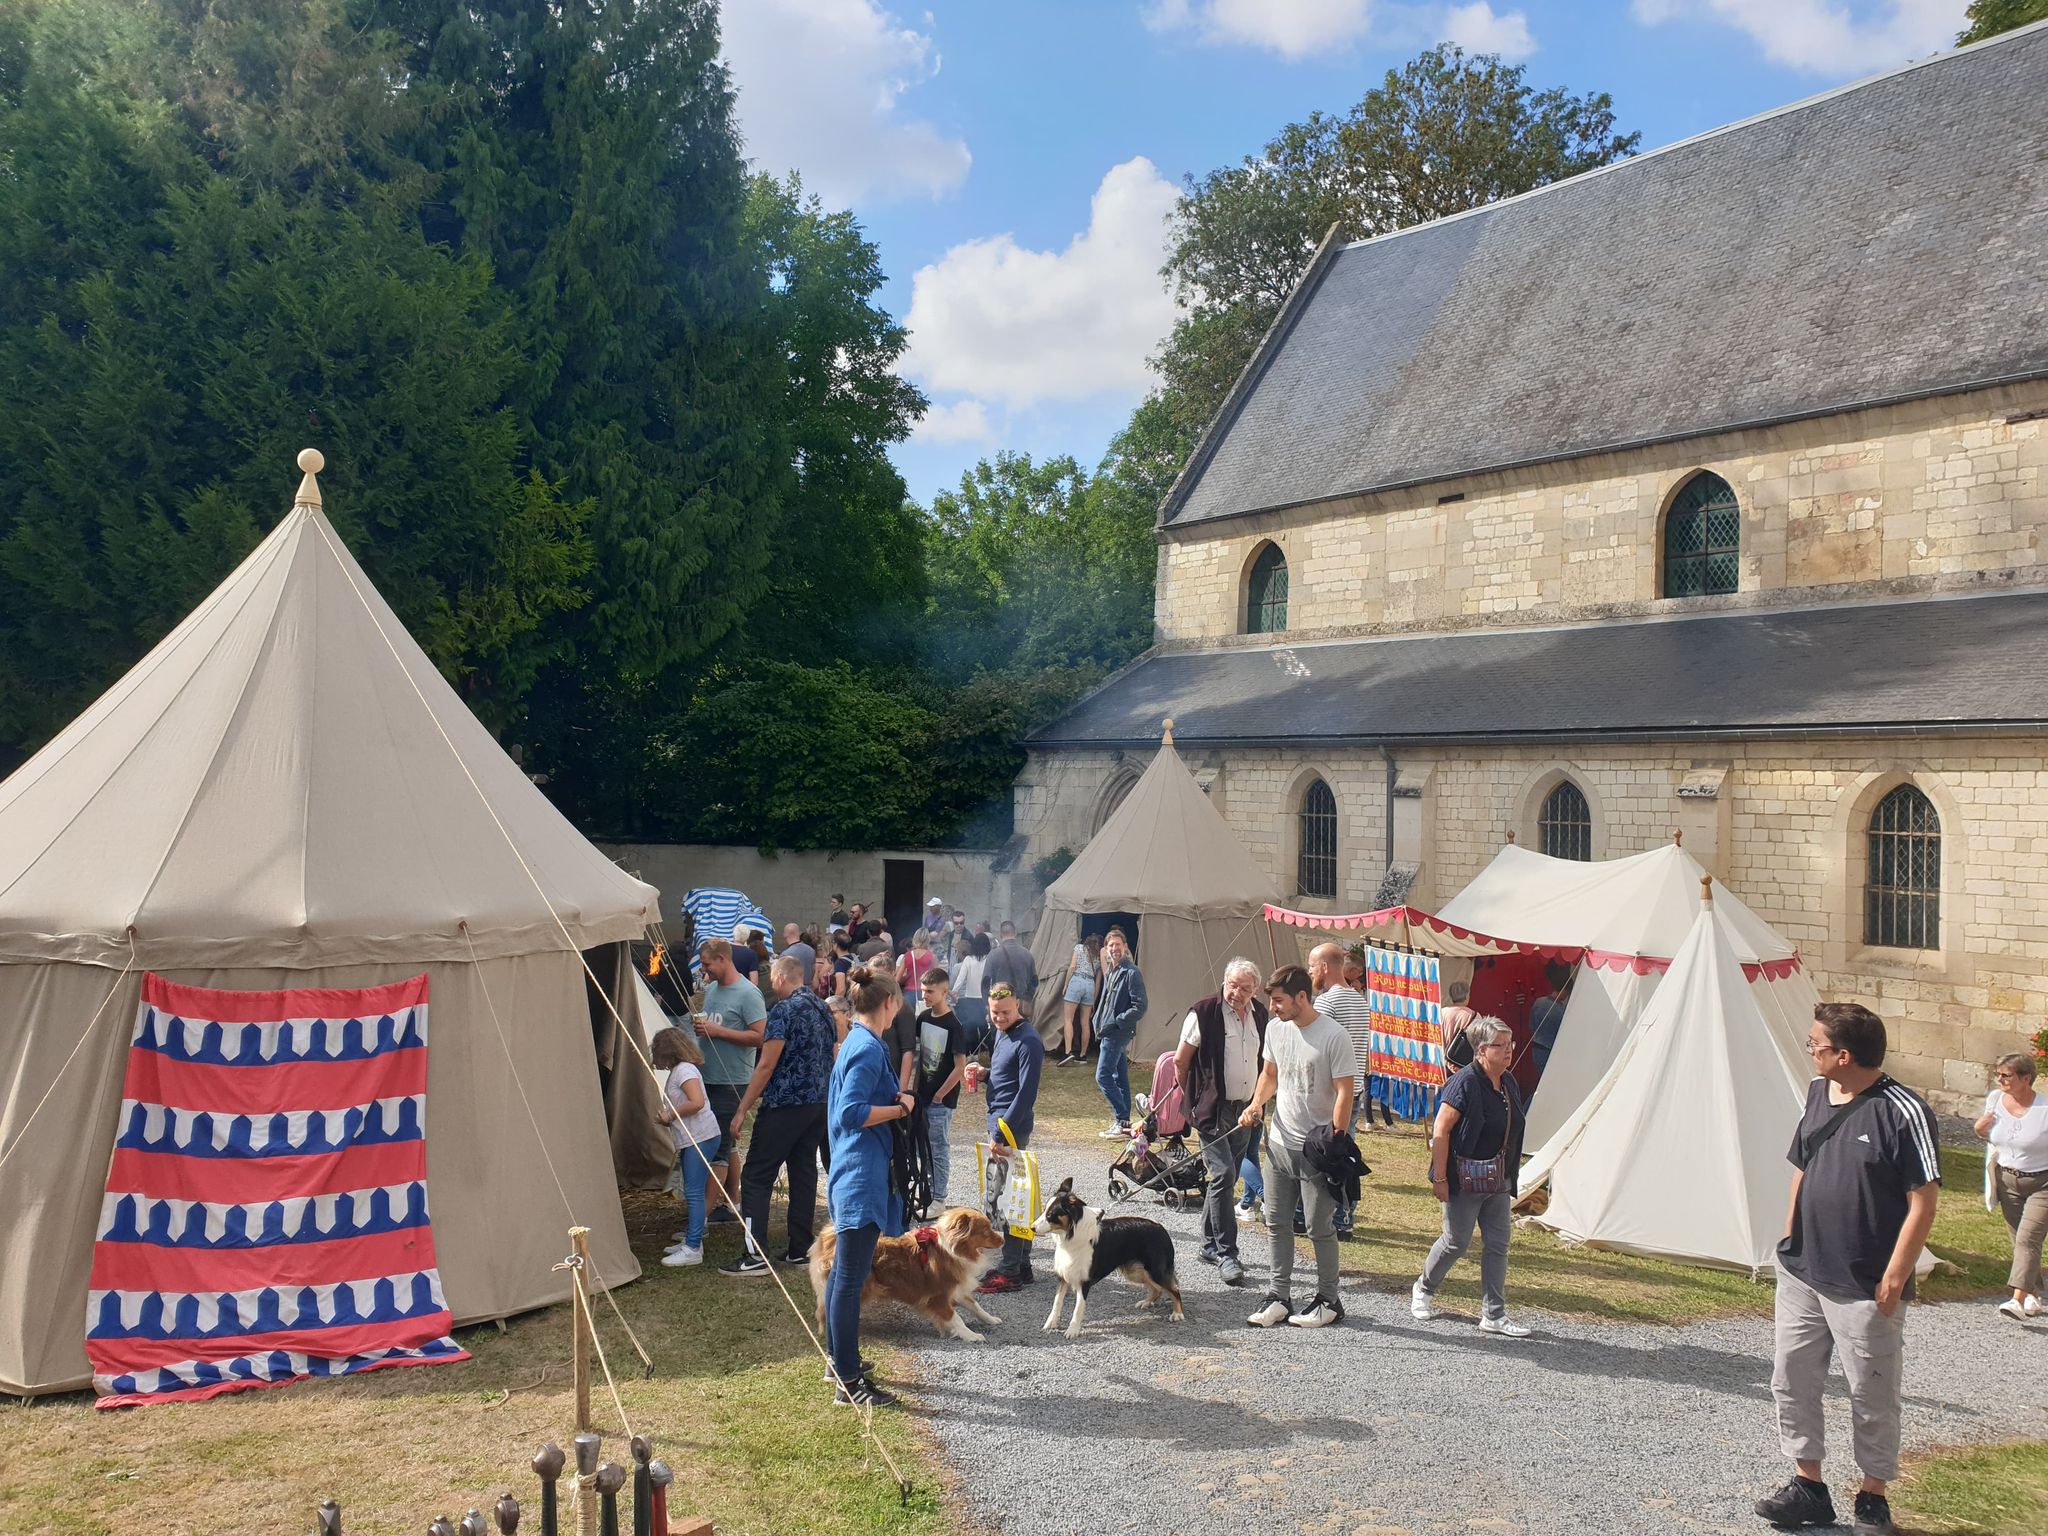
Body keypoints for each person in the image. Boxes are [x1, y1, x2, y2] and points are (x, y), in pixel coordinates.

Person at [1755, 1002, 1941, 1536]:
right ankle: (1807, 1486)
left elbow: (1923, 1199)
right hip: (1803, 1270)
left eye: (1817, 1043)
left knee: (1872, 1392)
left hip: (1864, 1282)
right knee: (1791, 1378)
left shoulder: (1903, 1110)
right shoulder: (1817, 1092)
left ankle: (1872, 1496)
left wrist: (1896, 1275)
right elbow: (1802, 1166)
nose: (1809, 1049)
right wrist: (1790, 1238)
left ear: (1845, 1055)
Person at [824, 964, 919, 1408]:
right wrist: (900, 1109)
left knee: (847, 1271)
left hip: (856, 1168)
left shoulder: (860, 1041)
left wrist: (894, 1100)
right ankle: (847, 1381)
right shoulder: (865, 1047)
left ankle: (837, 1360)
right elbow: (851, 1112)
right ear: (889, 1004)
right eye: (899, 1004)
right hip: (860, 1174)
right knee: (850, 1276)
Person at [1239, 964, 1353, 1330]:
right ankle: (1279, 1296)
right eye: (1272, 1001)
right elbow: (1270, 1075)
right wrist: (1256, 1104)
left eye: (1279, 1001)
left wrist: (1334, 1138)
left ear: (1302, 997)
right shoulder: (1275, 1029)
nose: (1273, 1008)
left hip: (1316, 1148)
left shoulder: (1334, 1036)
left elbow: (1345, 1091)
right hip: (1279, 1142)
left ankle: (1329, 1299)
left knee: (1319, 1226)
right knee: (1276, 1221)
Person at [1412, 1016, 1531, 1338]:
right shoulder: (1464, 1082)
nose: (1508, 1051)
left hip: (1497, 1177)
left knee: (1498, 1245)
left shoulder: (1508, 1081)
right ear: (1481, 1050)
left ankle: (1494, 1314)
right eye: (1501, 1046)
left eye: (1511, 1044)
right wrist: (1440, 1178)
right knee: (1455, 1242)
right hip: (1463, 1178)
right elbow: (1441, 1130)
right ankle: (1424, 1287)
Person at [721, 954, 836, 1275]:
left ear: (782, 978)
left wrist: (742, 1108)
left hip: (785, 1104)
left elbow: (767, 1063)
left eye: (772, 978)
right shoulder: (823, 1007)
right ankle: (800, 1248)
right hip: (817, 1105)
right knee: (802, 1172)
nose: (771, 983)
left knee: (756, 1175)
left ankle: (755, 1254)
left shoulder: (783, 1010)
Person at [1173, 957, 1266, 1286]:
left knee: (1224, 1179)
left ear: (1254, 990)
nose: (1236, 993)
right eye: (1232, 985)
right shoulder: (1202, 1013)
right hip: (1212, 1110)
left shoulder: (1261, 1016)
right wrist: (1192, 1100)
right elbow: (1180, 1061)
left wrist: (1258, 1103)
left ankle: (1209, 1245)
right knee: (1224, 1174)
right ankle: (1227, 1252)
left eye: (1244, 988)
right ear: (1223, 982)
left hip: (1247, 1110)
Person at [694, 938, 767, 1225]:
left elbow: (760, 1036)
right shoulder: (712, 989)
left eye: (707, 964)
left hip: (731, 1080)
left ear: (723, 959)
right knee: (729, 1145)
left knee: (718, 1150)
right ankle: (732, 1202)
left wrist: (718, 1031)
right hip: (708, 1077)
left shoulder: (748, 994)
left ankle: (699, 1223)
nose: (704, 970)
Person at [977, 984, 1044, 1293]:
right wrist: (985, 1074)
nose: (999, 1018)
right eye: (994, 1013)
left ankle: (1009, 1270)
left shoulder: (1029, 1040)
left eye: (1005, 1012)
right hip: (1000, 1124)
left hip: (1010, 1129)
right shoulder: (1002, 1033)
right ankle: (1023, 1265)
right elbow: (1005, 1076)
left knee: (1008, 1200)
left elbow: (1025, 1093)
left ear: (1018, 1004)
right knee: (1013, 1196)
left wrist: (1002, 1131)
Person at [1973, 1051, 2046, 1320]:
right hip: (2007, 1179)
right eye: (1998, 1074)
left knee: (2028, 1238)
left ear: (2026, 1078)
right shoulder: (1995, 1100)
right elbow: (1988, 1134)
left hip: (2043, 1183)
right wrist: (1980, 1130)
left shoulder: (2045, 1110)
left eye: (2006, 1075)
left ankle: (2017, 1298)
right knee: (2021, 1240)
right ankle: (2034, 1295)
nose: (2000, 1080)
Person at [1309, 943, 1373, 1230]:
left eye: (1312, 965)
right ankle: (1345, 1214)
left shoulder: (1326, 1003)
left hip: (1331, 1093)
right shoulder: (1360, 999)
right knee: (1345, 1152)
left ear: (1324, 967)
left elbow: (1317, 1052)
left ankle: (1329, 1215)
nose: (1309, 970)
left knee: (1325, 1155)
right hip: (1354, 1089)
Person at [652, 1027, 722, 1267]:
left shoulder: (684, 1071)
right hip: (696, 1137)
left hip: (700, 1137)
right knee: (694, 1190)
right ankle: (693, 1239)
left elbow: (697, 1102)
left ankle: (693, 1247)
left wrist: (669, 1116)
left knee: (693, 1191)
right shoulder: (681, 1070)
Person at [915, 968, 970, 1210]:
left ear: (944, 992)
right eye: (923, 990)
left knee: (939, 1148)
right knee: (922, 1147)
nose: (924, 995)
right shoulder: (923, 1018)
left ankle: (939, 1197)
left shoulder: (954, 1025)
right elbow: (920, 1056)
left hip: (941, 1100)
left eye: (929, 991)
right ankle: (927, 1192)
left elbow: (960, 1066)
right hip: (922, 1095)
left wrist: (940, 1094)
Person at [1091, 927, 1148, 1138]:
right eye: (1111, 945)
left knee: (1103, 1076)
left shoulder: (1131, 972)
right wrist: (1097, 1020)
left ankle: (1120, 1116)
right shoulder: (1113, 971)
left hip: (1117, 1032)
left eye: (1118, 944)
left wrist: (1117, 1021)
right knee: (1120, 1076)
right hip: (1108, 1030)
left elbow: (1140, 1006)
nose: (1114, 948)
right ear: (1106, 948)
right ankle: (1124, 1125)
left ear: (1125, 947)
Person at [1059, 933, 1101, 1065]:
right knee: (1085, 1022)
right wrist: (1094, 998)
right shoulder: (1099, 957)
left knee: (1068, 1019)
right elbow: (1098, 981)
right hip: (1090, 985)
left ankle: (1068, 1052)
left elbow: (1072, 967)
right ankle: (1083, 1055)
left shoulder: (1079, 948)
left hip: (1076, 980)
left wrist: (1066, 984)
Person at [983, 921, 1039, 1018]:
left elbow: (985, 982)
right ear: (1015, 933)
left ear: (1000, 934)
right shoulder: (1027, 954)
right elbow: (1034, 981)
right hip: (1020, 1005)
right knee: (1021, 1030)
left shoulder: (993, 955)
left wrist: (987, 1002)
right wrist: (1028, 998)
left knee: (1002, 1030)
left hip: (1001, 1004)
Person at [1527, 959, 1573, 1078]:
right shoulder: (1560, 1010)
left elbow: (1531, 1025)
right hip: (1550, 1052)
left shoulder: (1538, 1002)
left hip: (1536, 1049)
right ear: (1564, 991)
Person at [952, 930, 991, 1052]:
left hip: (970, 1000)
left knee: (971, 1028)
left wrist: (954, 992)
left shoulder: (968, 959)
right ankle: (989, 1052)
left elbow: (960, 979)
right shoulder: (989, 959)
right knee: (986, 1028)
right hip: (985, 999)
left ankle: (972, 1053)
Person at [898, 927, 937, 996]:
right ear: (927, 940)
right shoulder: (932, 956)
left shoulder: (907, 955)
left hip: (909, 994)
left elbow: (897, 979)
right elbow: (939, 978)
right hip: (926, 994)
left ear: (915, 939)